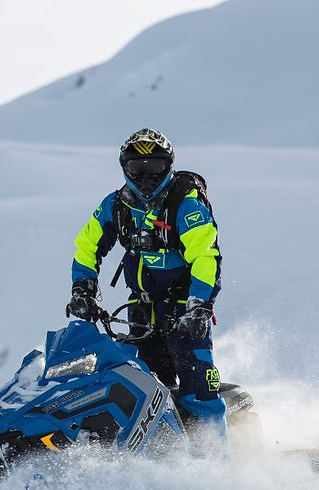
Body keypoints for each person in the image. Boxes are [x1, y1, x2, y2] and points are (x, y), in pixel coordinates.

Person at [65, 128, 227, 454]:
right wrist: (83, 289)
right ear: (124, 168)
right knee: (144, 386)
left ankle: (219, 467)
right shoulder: (117, 204)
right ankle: (156, 457)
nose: (146, 177)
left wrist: (198, 306)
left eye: (154, 167)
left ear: (168, 166)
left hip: (184, 307)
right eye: (137, 168)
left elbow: (206, 256)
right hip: (140, 307)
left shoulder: (185, 203)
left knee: (198, 385)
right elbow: (87, 246)